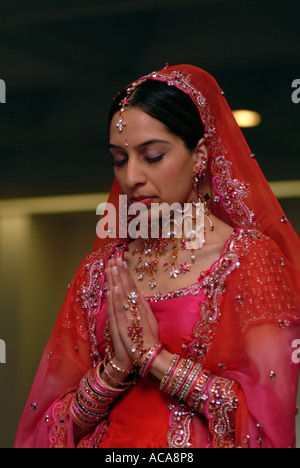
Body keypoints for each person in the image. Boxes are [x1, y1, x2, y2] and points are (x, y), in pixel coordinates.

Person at [15, 64, 300, 448]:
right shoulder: (99, 272)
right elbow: (42, 428)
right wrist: (114, 371)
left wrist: (153, 358)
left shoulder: (249, 261)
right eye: (119, 159)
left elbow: (267, 424)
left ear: (199, 156)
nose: (131, 177)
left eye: (151, 156)